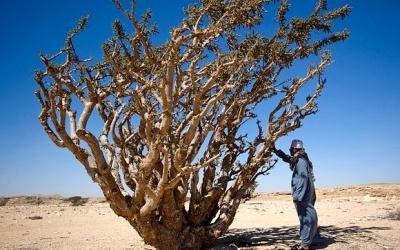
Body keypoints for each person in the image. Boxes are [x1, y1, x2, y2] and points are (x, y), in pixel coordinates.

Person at [272, 139, 319, 250]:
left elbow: (303, 178)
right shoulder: (300, 158)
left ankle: (305, 245)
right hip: (308, 190)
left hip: (303, 192)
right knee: (306, 215)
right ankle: (306, 242)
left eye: (290, 149)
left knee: (305, 217)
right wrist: (274, 150)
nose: (289, 150)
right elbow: (286, 158)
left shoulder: (300, 161)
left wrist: (298, 195)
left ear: (294, 149)